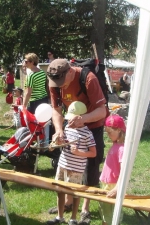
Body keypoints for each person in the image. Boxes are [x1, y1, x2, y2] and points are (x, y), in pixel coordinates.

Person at [47, 59, 107, 225]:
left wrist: (84, 119)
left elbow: (102, 111)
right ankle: (68, 203)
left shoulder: (89, 79)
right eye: (56, 83)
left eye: (62, 83)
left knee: (91, 166)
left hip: (93, 125)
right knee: (69, 163)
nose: (60, 87)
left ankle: (85, 209)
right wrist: (59, 130)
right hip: (71, 125)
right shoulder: (54, 81)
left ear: (71, 72)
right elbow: (56, 109)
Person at [46, 101, 96, 225]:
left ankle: (73, 218)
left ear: (81, 119)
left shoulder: (87, 134)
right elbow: (63, 143)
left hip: (75, 169)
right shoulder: (67, 127)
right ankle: (60, 216)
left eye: (72, 120)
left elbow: (93, 153)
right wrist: (58, 141)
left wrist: (79, 152)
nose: (69, 122)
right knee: (60, 190)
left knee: (75, 193)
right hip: (62, 165)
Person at [99, 114, 126, 225]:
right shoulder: (116, 144)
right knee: (105, 213)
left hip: (113, 185)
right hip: (106, 183)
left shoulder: (122, 149)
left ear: (119, 130)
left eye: (110, 132)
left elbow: (123, 171)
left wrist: (117, 188)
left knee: (112, 215)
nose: (108, 135)